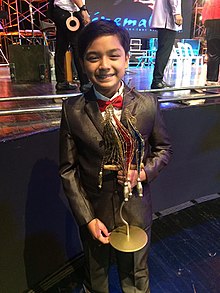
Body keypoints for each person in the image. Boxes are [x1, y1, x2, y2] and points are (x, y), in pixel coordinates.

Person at [59, 19, 172, 293]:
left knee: (136, 277)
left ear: (127, 57)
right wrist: (86, 218)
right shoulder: (72, 110)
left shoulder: (147, 105)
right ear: (83, 62)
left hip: (136, 212)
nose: (104, 65)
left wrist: (143, 172)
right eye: (93, 57)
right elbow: (68, 170)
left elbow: (164, 150)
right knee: (95, 276)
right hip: (94, 215)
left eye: (113, 55)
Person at [48, 0, 91, 91]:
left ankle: (61, 82)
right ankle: (85, 82)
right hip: (69, 12)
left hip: (60, 11)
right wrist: (83, 9)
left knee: (61, 47)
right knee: (78, 47)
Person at [150, 0, 183, 89]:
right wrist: (177, 13)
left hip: (166, 19)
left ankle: (158, 79)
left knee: (163, 50)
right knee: (164, 51)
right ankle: (157, 80)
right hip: (167, 20)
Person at [202, 0, 220, 84]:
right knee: (213, 52)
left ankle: (211, 80)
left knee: (213, 53)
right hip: (213, 20)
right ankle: (211, 80)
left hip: (210, 20)